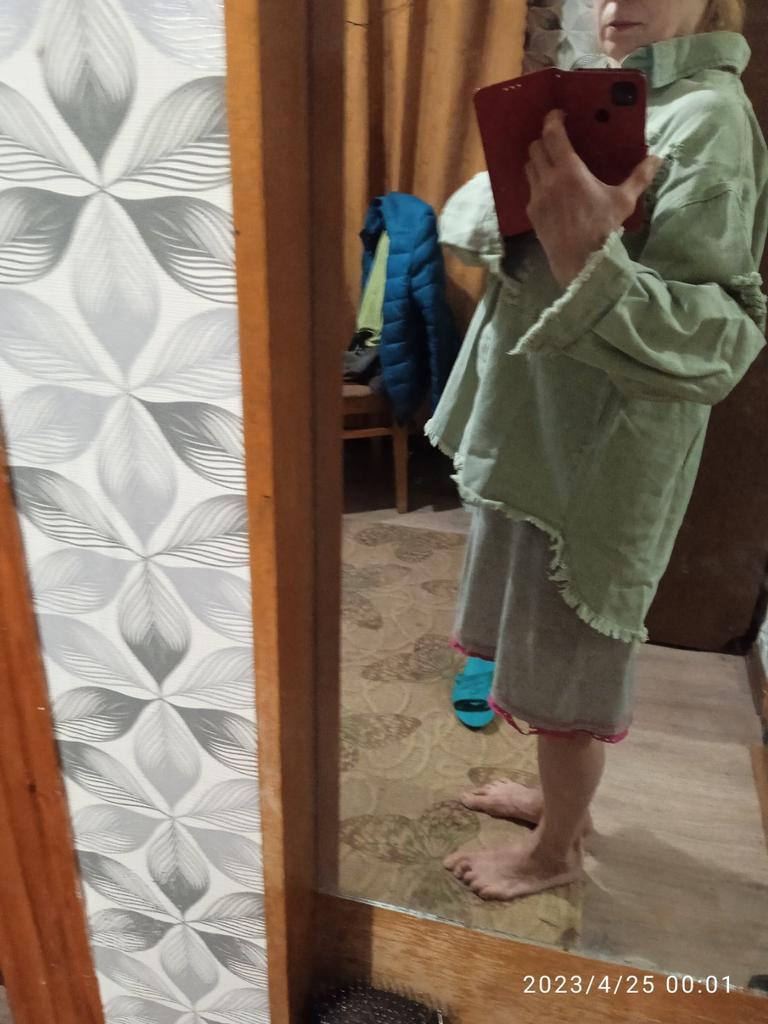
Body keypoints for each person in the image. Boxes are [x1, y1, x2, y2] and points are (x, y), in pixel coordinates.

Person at [425, 0, 767, 901]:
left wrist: (589, 257)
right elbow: (465, 220)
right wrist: (536, 203)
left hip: (595, 466)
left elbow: (720, 341)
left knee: (569, 676)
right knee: (535, 649)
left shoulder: (708, 121)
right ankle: (557, 807)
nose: (615, 4)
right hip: (531, 430)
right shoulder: (596, 97)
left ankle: (557, 854)